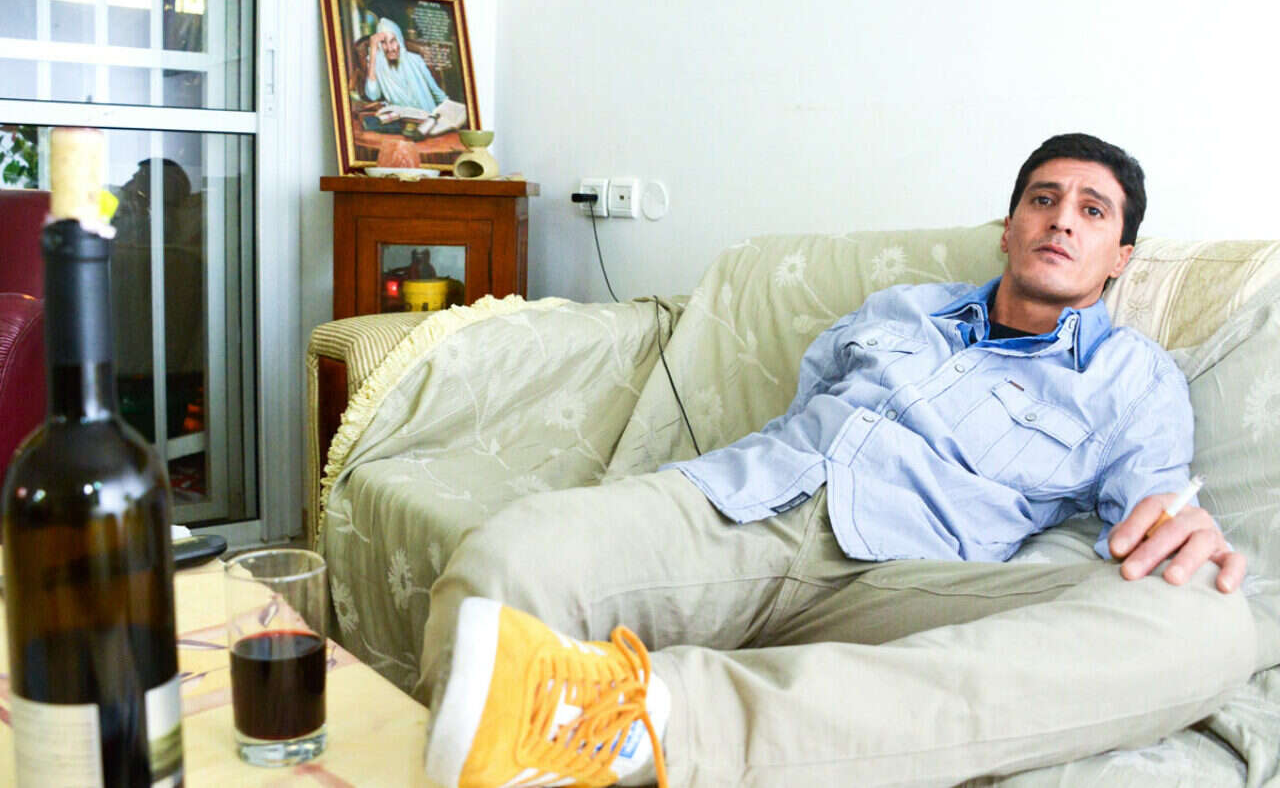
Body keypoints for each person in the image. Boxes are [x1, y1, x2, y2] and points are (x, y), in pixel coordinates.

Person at [418, 134, 1257, 788]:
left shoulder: (1134, 377)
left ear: (1121, 257)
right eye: (1043, 199)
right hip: (744, 508)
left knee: (1209, 623)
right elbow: (806, 403)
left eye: (1093, 210)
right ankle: (544, 727)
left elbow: (1153, 512)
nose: (1062, 219)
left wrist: (1179, 526)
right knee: (505, 562)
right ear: (1009, 230)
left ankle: (655, 719)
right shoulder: (903, 308)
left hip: (913, 578)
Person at [362, 16, 449, 111]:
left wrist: (450, 109)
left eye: (392, 41)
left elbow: (436, 92)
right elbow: (373, 96)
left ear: (399, 41)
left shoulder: (415, 59)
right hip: (400, 117)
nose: (390, 48)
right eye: (383, 42)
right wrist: (373, 52)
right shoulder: (377, 64)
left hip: (426, 115)